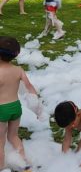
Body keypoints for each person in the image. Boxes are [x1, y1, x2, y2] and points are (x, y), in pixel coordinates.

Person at [0, 36, 40, 171]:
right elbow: (30, 88)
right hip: (16, 108)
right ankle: (24, 164)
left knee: (0, 142)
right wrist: (37, 106)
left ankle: (1, 167)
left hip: (1, 110)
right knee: (13, 136)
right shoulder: (18, 70)